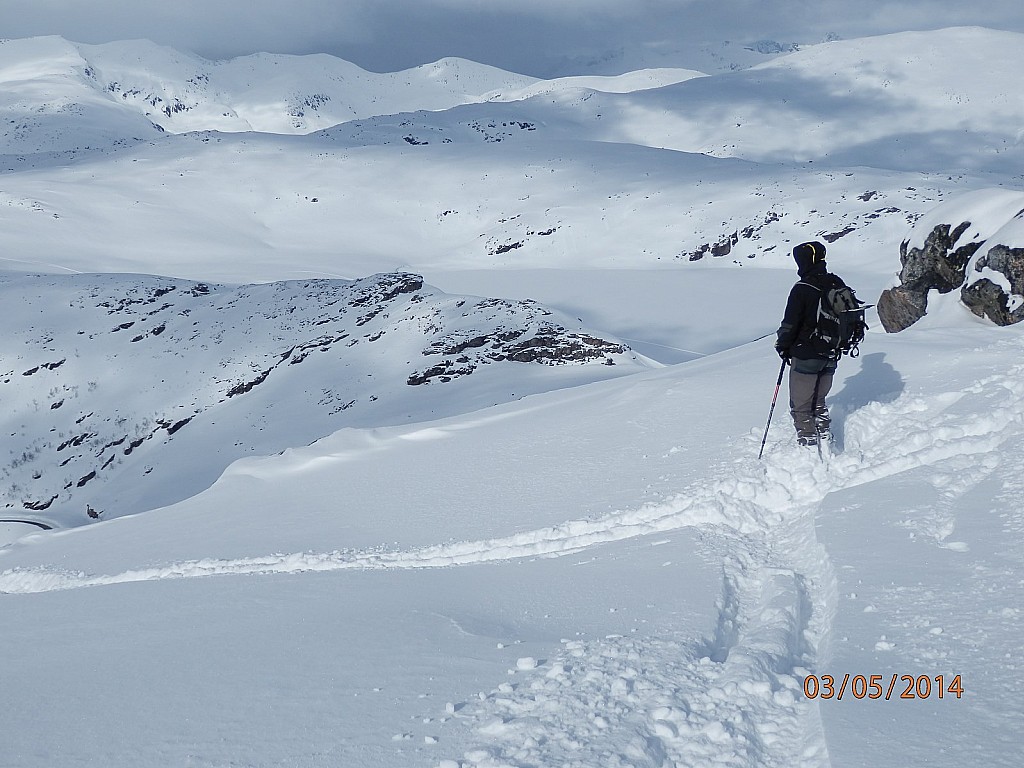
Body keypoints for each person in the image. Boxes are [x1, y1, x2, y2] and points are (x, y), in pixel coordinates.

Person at [774, 241, 843, 447]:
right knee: (818, 400)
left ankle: (809, 445)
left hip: (806, 354)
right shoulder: (836, 282)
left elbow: (790, 323)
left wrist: (783, 346)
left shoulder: (802, 288)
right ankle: (825, 438)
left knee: (801, 405)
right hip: (831, 352)